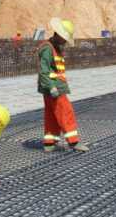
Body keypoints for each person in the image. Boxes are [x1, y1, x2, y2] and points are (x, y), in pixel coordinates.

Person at [37, 17, 89, 153]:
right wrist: (51, 87)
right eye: (65, 37)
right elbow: (43, 71)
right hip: (54, 88)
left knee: (52, 115)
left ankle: (49, 142)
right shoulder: (48, 49)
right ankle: (74, 142)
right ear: (59, 35)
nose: (65, 41)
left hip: (54, 87)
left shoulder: (54, 47)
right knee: (66, 113)